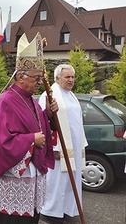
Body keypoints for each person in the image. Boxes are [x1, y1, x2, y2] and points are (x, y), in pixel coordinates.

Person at [0, 33, 57, 224]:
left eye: (40, 78)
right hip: (11, 178)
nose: (39, 83)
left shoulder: (31, 100)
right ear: (20, 76)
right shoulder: (5, 101)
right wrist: (30, 140)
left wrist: (49, 116)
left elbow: (37, 125)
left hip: (29, 176)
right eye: (36, 78)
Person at [38, 64, 88, 223]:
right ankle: (51, 211)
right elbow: (44, 123)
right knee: (57, 181)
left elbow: (77, 122)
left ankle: (67, 209)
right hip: (59, 149)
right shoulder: (49, 95)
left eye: (73, 77)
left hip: (73, 147)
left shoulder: (71, 95)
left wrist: (81, 144)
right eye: (67, 77)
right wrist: (53, 148)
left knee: (71, 180)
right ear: (57, 78)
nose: (71, 80)